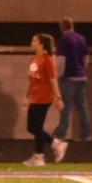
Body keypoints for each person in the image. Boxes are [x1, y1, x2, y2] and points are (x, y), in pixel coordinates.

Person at [23, 33, 62, 167]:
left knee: (37, 127)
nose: (32, 42)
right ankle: (55, 144)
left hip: (44, 97)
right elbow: (32, 79)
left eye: (35, 40)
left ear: (41, 44)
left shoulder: (48, 59)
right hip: (35, 97)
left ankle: (39, 157)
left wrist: (58, 98)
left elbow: (52, 80)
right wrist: (26, 96)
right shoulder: (34, 59)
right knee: (31, 127)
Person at [52, 18, 90, 153]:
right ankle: (86, 133)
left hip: (68, 77)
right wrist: (82, 70)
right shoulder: (82, 39)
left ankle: (60, 134)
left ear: (62, 27)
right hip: (81, 76)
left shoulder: (63, 40)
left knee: (65, 107)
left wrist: (58, 76)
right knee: (82, 106)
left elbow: (61, 60)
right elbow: (86, 58)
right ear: (72, 26)